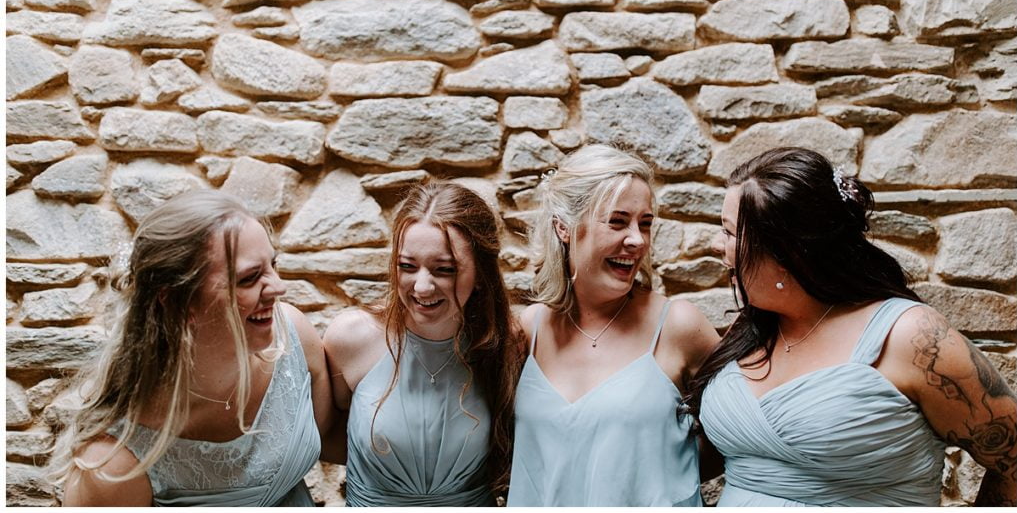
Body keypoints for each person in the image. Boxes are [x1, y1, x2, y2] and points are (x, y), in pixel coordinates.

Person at [690, 147, 1017, 506]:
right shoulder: (752, 329)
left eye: (730, 232)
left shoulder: (911, 337)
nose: (716, 244)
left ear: (787, 253)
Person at [52, 189, 333, 506]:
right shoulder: (113, 465)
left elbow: (335, 436)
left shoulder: (293, 338)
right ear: (176, 301)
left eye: (273, 264)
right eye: (250, 278)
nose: (278, 287)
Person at [508, 144, 721, 506]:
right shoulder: (531, 329)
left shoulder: (679, 326)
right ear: (564, 228)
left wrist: (660, 473)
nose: (637, 240)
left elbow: (735, 433)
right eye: (617, 221)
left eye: (646, 223)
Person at [323, 181, 524, 506]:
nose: (423, 286)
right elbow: (329, 435)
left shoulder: (505, 344)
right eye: (407, 266)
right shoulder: (351, 338)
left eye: (444, 270)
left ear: (481, 272)